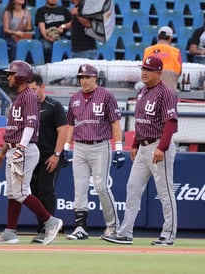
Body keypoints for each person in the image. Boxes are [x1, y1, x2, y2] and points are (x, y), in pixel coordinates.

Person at [101, 56, 178, 246]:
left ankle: (168, 234)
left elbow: (171, 123)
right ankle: (125, 233)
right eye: (143, 68)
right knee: (132, 187)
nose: (144, 72)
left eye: (149, 70)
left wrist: (162, 147)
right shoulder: (143, 92)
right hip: (144, 146)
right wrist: (135, 144)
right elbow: (141, 121)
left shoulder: (166, 93)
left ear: (159, 73)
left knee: (165, 191)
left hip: (159, 145)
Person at [0, 60, 63, 245]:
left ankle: (51, 221)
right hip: (14, 148)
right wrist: (4, 151)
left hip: (25, 149)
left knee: (21, 192)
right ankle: (10, 232)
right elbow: (14, 128)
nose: (8, 77)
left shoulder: (29, 96)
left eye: (11, 74)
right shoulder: (18, 97)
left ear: (21, 75)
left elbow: (30, 124)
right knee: (13, 193)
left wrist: (20, 147)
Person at [64, 63, 124, 240]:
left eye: (87, 77)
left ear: (95, 78)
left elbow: (115, 122)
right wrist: (66, 148)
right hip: (80, 146)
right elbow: (71, 124)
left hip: (100, 145)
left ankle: (113, 227)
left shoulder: (106, 96)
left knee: (101, 186)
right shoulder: (74, 97)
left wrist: (118, 148)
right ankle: (81, 228)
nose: (84, 80)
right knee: (80, 188)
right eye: (81, 77)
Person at [28, 73, 67, 243]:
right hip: (31, 157)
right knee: (34, 192)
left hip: (49, 156)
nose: (32, 93)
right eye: (29, 90)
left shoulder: (54, 106)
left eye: (34, 89)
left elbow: (63, 131)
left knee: (46, 191)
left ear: (43, 87)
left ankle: (49, 229)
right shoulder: (27, 106)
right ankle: (42, 228)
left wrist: (56, 155)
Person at [143, 26, 182, 92]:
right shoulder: (176, 52)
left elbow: (144, 72)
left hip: (151, 93)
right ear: (170, 38)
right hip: (169, 92)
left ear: (158, 37)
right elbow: (180, 72)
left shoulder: (148, 50)